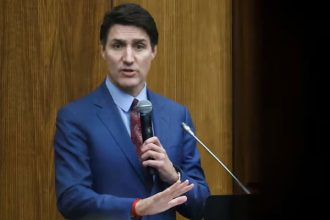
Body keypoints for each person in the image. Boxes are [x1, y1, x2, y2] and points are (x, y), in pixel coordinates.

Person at [54, 3, 210, 220]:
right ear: (103, 50)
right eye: (118, 46)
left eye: (139, 46)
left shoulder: (177, 116)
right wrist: (137, 207)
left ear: (153, 51)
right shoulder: (75, 117)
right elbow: (71, 198)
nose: (128, 58)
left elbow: (201, 204)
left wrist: (173, 176)